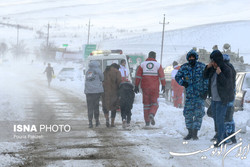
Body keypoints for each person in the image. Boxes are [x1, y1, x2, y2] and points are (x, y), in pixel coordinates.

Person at [175, 49, 208, 140]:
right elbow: (177, 77)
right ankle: (189, 132)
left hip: (199, 95)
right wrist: (183, 83)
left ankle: (195, 133)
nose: (191, 59)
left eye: (193, 57)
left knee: (198, 114)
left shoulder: (202, 67)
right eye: (190, 57)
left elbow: (206, 79)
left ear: (196, 57)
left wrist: (206, 91)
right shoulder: (184, 67)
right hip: (189, 96)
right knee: (188, 114)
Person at [203, 50, 234, 147]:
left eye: (214, 62)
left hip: (222, 100)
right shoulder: (212, 69)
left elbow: (228, 85)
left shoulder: (226, 70)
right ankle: (224, 137)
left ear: (218, 61)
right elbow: (204, 76)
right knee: (216, 119)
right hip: (214, 99)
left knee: (220, 120)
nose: (213, 63)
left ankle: (220, 140)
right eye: (212, 62)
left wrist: (220, 74)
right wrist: (206, 68)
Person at [134, 51, 166, 126]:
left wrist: (136, 85)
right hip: (154, 88)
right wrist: (164, 85)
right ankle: (152, 114)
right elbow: (162, 76)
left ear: (148, 56)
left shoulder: (142, 65)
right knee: (155, 103)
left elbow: (138, 76)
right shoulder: (158, 65)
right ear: (154, 57)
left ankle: (147, 122)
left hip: (145, 87)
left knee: (146, 105)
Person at [84, 61, 104, 128]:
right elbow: (102, 78)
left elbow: (87, 80)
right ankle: (97, 122)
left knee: (90, 107)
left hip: (88, 92)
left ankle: (90, 123)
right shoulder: (98, 70)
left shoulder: (88, 71)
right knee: (96, 107)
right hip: (96, 92)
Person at [103, 63, 122, 127]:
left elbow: (102, 81)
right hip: (114, 92)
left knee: (105, 106)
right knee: (113, 107)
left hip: (105, 92)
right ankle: (112, 123)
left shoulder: (105, 71)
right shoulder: (117, 72)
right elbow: (119, 82)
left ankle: (107, 119)